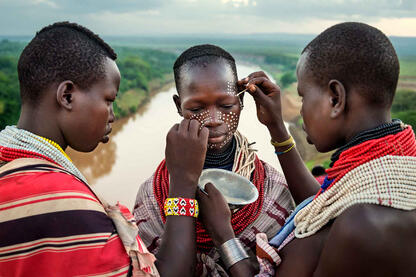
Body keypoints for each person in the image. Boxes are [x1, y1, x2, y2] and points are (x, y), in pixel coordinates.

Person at [201, 22, 416, 276]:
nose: (300, 109)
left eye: (303, 97)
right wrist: (277, 127)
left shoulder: (363, 226)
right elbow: (322, 204)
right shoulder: (391, 169)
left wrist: (224, 236)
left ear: (335, 98)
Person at [0, 22, 209, 277]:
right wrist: (183, 183)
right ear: (67, 96)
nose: (113, 115)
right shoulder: (64, 206)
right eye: (108, 100)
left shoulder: (10, 165)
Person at [133, 44, 294, 276]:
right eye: (197, 108)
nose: (213, 119)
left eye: (226, 105)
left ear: (241, 102)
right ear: (179, 106)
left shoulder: (273, 188)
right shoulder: (152, 194)